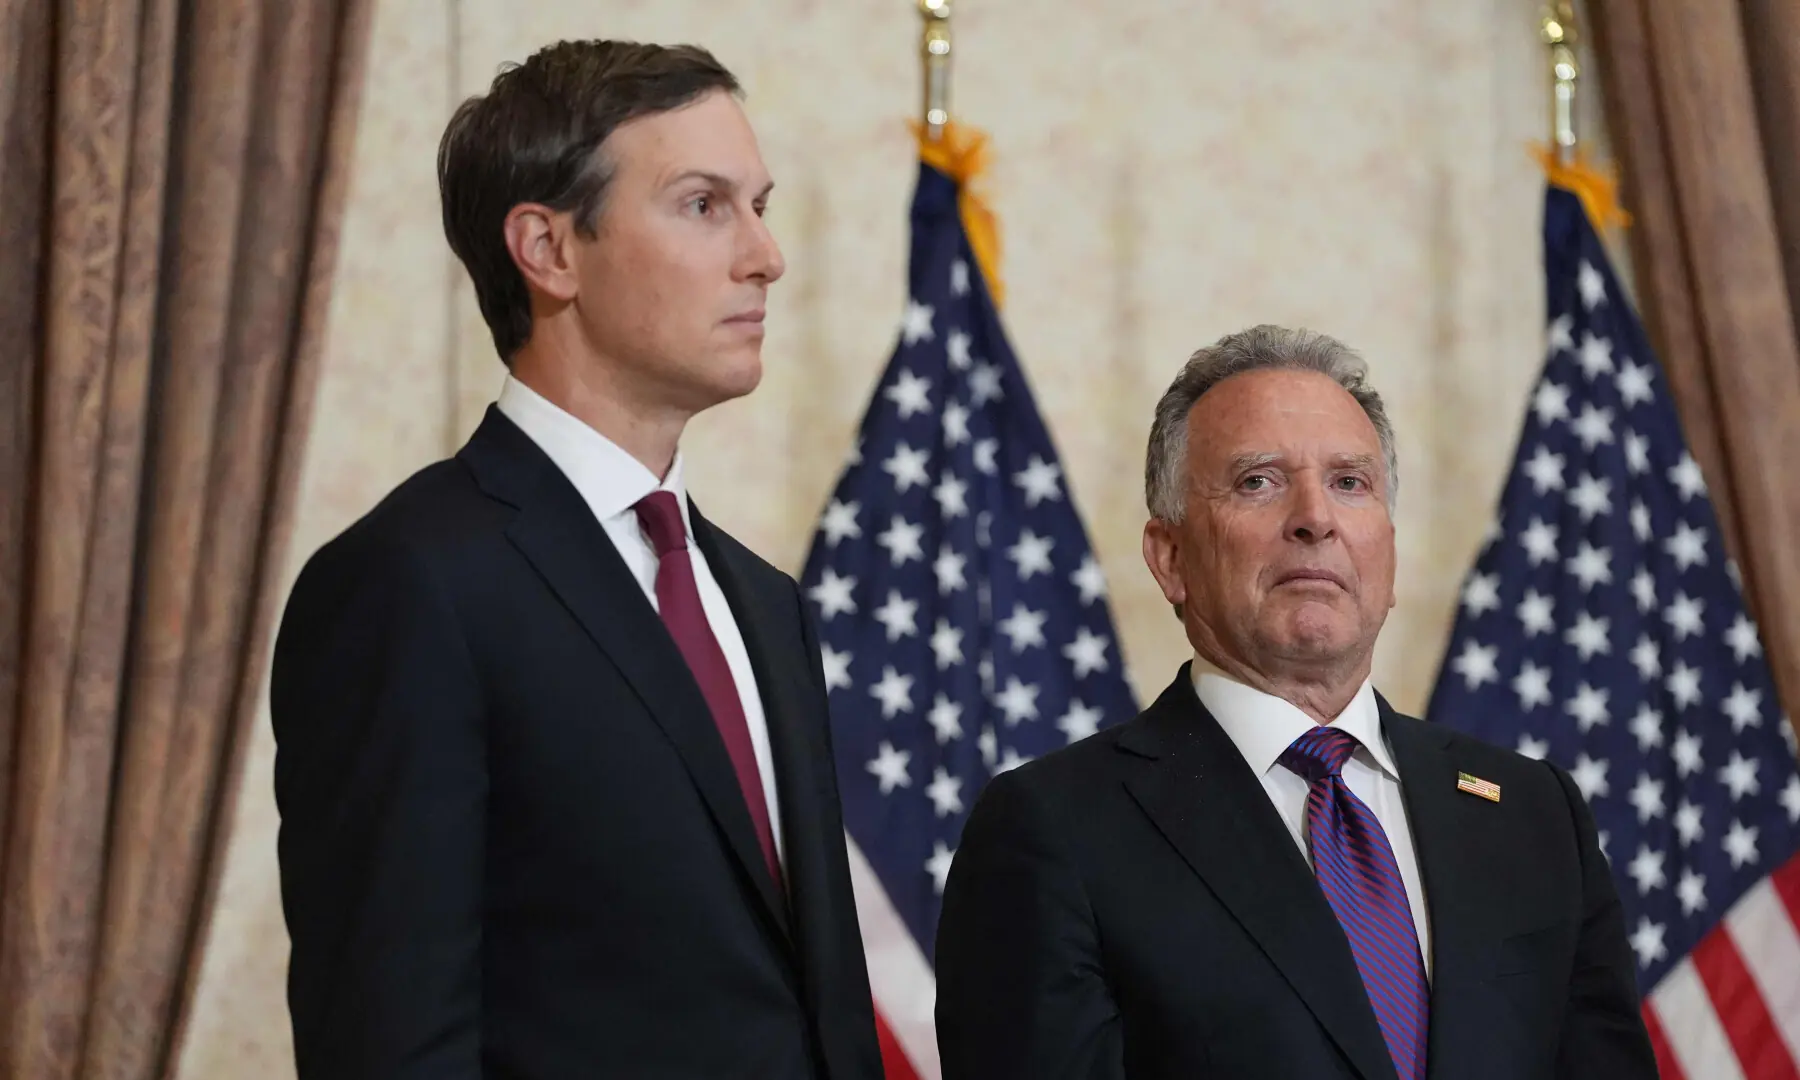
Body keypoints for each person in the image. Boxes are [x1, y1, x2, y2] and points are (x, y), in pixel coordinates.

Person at [270, 40, 881, 1080]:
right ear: (548, 250)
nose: (765, 255)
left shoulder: (766, 605)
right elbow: (391, 1040)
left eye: (760, 205)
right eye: (703, 204)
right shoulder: (410, 585)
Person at [933, 325, 1656, 1080]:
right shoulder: (1054, 828)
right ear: (1171, 557)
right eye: (1258, 481)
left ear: (1389, 550)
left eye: (1350, 482)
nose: (1317, 518)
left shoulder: (1532, 815)